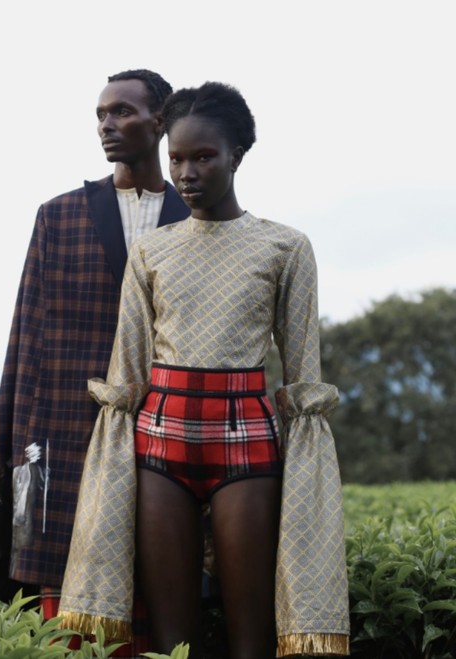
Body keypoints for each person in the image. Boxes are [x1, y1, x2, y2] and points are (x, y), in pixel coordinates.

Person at [56, 82, 349, 658]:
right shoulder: (151, 252)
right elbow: (127, 369)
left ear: (237, 155)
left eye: (203, 157)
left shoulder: (285, 248)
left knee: (251, 638)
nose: (186, 173)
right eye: (176, 159)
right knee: (171, 644)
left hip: (248, 443)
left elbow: (302, 376)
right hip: (158, 444)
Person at [0, 69, 190, 644]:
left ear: (160, 121)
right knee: (65, 601)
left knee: (161, 577)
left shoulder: (193, 217)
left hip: (168, 418)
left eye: (122, 112)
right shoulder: (59, 215)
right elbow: (27, 338)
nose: (107, 125)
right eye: (101, 114)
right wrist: (17, 445)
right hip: (66, 425)